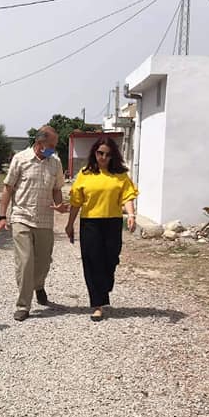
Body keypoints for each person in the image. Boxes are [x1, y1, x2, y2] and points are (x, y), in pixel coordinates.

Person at [0, 127, 68, 321]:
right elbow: (8, 188)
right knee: (25, 262)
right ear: (40, 143)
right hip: (21, 217)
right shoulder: (20, 159)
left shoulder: (55, 162)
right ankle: (23, 305)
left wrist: (59, 205)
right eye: (51, 145)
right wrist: (2, 216)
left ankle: (38, 285)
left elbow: (57, 188)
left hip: (44, 220)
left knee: (43, 262)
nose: (54, 148)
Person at [64, 137, 137, 321]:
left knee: (111, 259)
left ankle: (104, 287)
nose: (103, 157)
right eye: (100, 153)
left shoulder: (120, 175)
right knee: (92, 261)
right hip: (90, 223)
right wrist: (70, 224)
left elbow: (128, 196)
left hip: (113, 222)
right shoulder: (85, 174)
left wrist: (131, 215)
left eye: (108, 154)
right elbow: (76, 202)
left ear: (113, 156)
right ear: (94, 153)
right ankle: (97, 304)